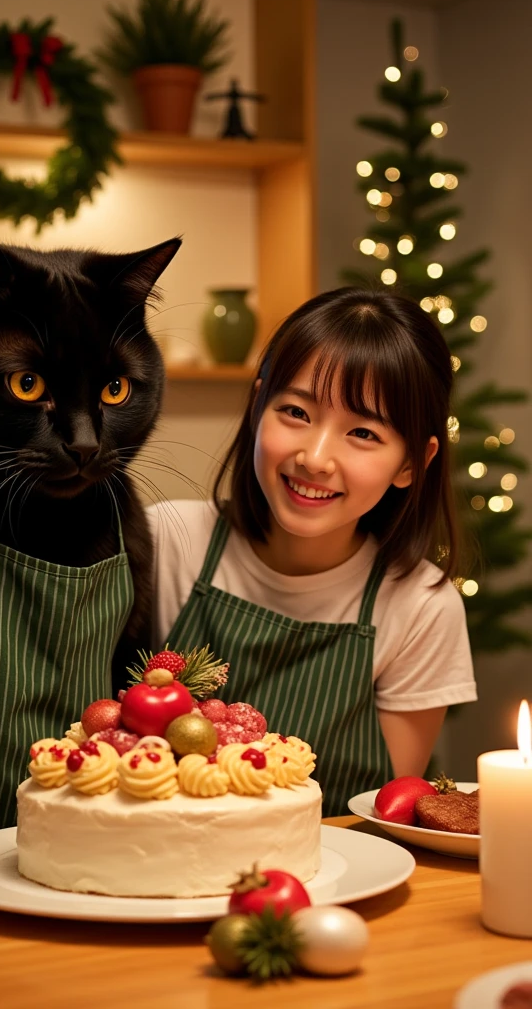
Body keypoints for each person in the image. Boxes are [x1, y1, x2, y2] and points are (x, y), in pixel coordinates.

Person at [146, 287, 477, 816]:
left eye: (364, 432)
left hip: (332, 881)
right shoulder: (170, 539)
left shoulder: (421, 607)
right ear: (258, 405)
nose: (316, 457)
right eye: (297, 411)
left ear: (413, 462)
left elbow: (385, 815)